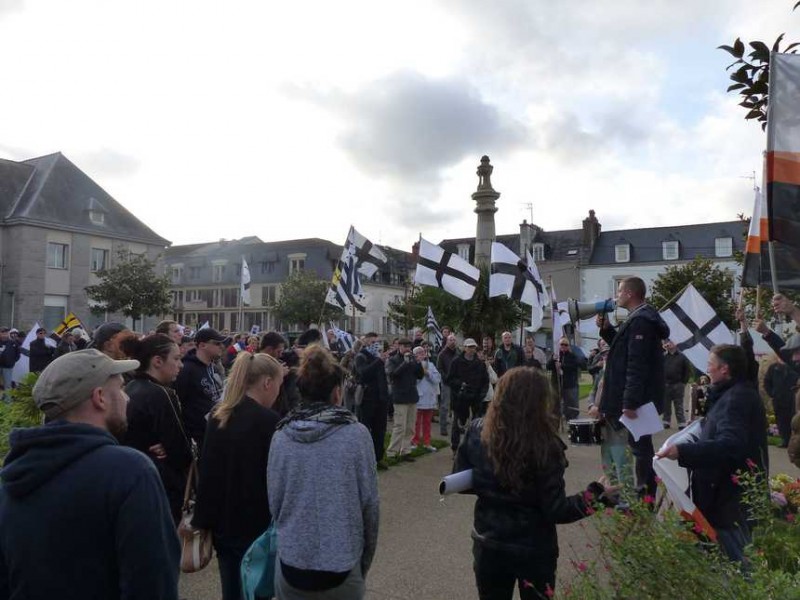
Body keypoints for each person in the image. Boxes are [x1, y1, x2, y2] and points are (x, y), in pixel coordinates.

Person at [0, 349, 180, 598]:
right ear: (100, 398)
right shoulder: (129, 471)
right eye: (120, 390)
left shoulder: (12, 475)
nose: (127, 399)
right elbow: (153, 583)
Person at [454, 367, 616, 599]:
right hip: (533, 548)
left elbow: (463, 479)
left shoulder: (477, 432)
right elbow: (556, 510)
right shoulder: (545, 445)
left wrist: (491, 482)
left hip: (489, 542)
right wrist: (596, 494)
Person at [268, 346, 380, 599]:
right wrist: (363, 563)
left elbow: (274, 503)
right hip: (340, 563)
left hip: (293, 563)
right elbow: (370, 506)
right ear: (337, 393)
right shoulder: (356, 435)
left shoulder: (280, 436)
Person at [656, 344, 768, 563]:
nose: (707, 369)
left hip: (729, 502)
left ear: (724, 369)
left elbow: (730, 445)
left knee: (738, 568)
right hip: (724, 497)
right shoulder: (732, 393)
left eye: (710, 365)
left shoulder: (736, 399)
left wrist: (682, 450)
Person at [193, 351, 284, 600]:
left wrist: (204, 521)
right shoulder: (269, 421)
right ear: (267, 383)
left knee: (232, 588)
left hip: (225, 524)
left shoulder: (218, 416)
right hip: (258, 523)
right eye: (279, 384)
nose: (278, 391)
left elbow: (208, 472)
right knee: (259, 589)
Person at [596, 277, 669, 497]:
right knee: (640, 447)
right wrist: (608, 330)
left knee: (641, 450)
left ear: (629, 293)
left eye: (619, 291)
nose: (616, 295)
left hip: (639, 401)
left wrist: (630, 402)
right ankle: (644, 494)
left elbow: (636, 364)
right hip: (641, 398)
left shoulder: (641, 321)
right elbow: (625, 351)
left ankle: (644, 496)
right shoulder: (639, 318)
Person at [122, 333, 193, 524]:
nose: (181, 365)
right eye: (176, 359)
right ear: (157, 361)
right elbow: (181, 451)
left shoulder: (129, 388)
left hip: (133, 483)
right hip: (161, 486)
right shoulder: (160, 394)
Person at [174, 328, 227, 449]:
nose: (222, 346)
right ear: (202, 345)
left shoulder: (212, 367)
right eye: (217, 343)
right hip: (196, 437)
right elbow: (176, 404)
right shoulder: (186, 369)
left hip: (213, 432)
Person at [354, 332, 390, 469]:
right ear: (366, 342)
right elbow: (363, 374)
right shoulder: (361, 356)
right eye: (373, 342)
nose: (376, 345)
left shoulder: (378, 357)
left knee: (380, 430)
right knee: (365, 429)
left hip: (381, 398)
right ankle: (364, 459)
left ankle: (378, 457)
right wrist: (378, 361)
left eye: (378, 342)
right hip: (367, 398)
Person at [447, 338, 489, 453]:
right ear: (464, 348)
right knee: (457, 424)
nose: (471, 349)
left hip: (475, 399)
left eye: (473, 347)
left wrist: (481, 395)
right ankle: (455, 448)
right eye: (469, 347)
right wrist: (460, 385)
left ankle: (473, 448)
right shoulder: (456, 362)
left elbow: (485, 381)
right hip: (460, 399)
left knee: (476, 425)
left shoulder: (480, 364)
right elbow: (449, 379)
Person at [385, 338, 424, 460]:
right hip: (400, 396)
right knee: (399, 426)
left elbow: (420, 375)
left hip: (411, 395)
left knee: (410, 426)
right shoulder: (392, 360)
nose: (407, 349)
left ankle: (405, 450)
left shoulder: (412, 360)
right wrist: (404, 363)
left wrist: (418, 363)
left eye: (409, 346)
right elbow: (393, 375)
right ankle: (392, 451)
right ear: (399, 347)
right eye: (405, 346)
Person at [411, 344, 441, 452]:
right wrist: (421, 373)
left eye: (422, 352)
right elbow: (413, 380)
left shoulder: (431, 365)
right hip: (419, 396)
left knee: (427, 422)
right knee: (416, 422)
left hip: (429, 396)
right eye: (418, 353)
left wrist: (428, 373)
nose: (421, 354)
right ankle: (415, 441)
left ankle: (427, 442)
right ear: (414, 355)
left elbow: (437, 379)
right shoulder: (412, 365)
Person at [546, 337, 581, 421]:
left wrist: (562, 366)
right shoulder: (556, 355)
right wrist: (552, 360)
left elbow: (573, 367)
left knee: (570, 405)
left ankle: (571, 421)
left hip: (569, 384)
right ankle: (555, 421)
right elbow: (548, 367)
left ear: (568, 346)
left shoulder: (572, 356)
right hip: (556, 384)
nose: (563, 346)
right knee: (555, 404)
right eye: (562, 344)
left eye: (565, 344)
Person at [662, 340, 692, 429]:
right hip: (666, 384)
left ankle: (681, 423)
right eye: (667, 342)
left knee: (678, 405)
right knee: (666, 405)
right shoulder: (663, 356)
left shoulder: (682, 357)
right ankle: (666, 422)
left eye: (671, 342)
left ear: (675, 344)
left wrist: (683, 383)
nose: (668, 344)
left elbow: (687, 371)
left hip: (678, 384)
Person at [436, 333, 458, 437]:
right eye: (450, 340)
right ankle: (443, 428)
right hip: (446, 383)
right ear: (447, 341)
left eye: (454, 340)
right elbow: (439, 368)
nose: (452, 342)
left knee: (457, 406)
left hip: (457, 383)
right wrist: (445, 377)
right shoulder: (442, 354)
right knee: (445, 406)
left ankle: (457, 426)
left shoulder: (458, 352)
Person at [0, 327, 21, 402]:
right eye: (2, 333)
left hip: (8, 367)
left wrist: (12, 362)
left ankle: (7, 402)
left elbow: (18, 354)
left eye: (6, 333)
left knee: (7, 385)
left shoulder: (13, 343)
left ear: (8, 333)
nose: (4, 335)